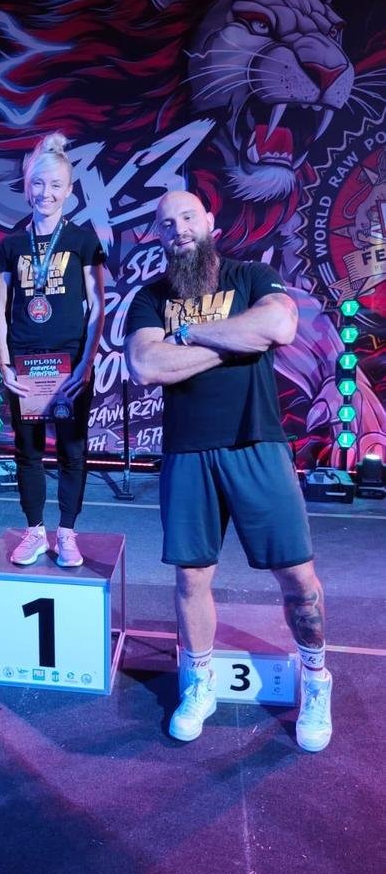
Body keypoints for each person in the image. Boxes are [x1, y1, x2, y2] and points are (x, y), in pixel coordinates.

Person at [124, 190, 332, 752]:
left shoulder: (250, 276)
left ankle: (316, 679)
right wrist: (238, 341)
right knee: (191, 579)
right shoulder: (151, 297)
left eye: (188, 217)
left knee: (299, 580)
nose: (178, 229)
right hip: (187, 452)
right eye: (166, 223)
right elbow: (145, 364)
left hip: (257, 442)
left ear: (209, 222)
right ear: (159, 235)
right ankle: (200, 682)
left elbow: (280, 326)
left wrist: (188, 335)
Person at [0, 133, 105, 567]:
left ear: (69, 190)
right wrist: (4, 363)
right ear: (27, 187)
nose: (46, 193)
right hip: (25, 363)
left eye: (56, 185)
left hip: (69, 364)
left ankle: (68, 533)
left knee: (72, 450)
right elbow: (0, 308)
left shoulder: (83, 241)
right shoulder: (11, 246)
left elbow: (97, 306)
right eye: (38, 184)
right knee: (28, 450)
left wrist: (87, 363)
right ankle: (35, 531)